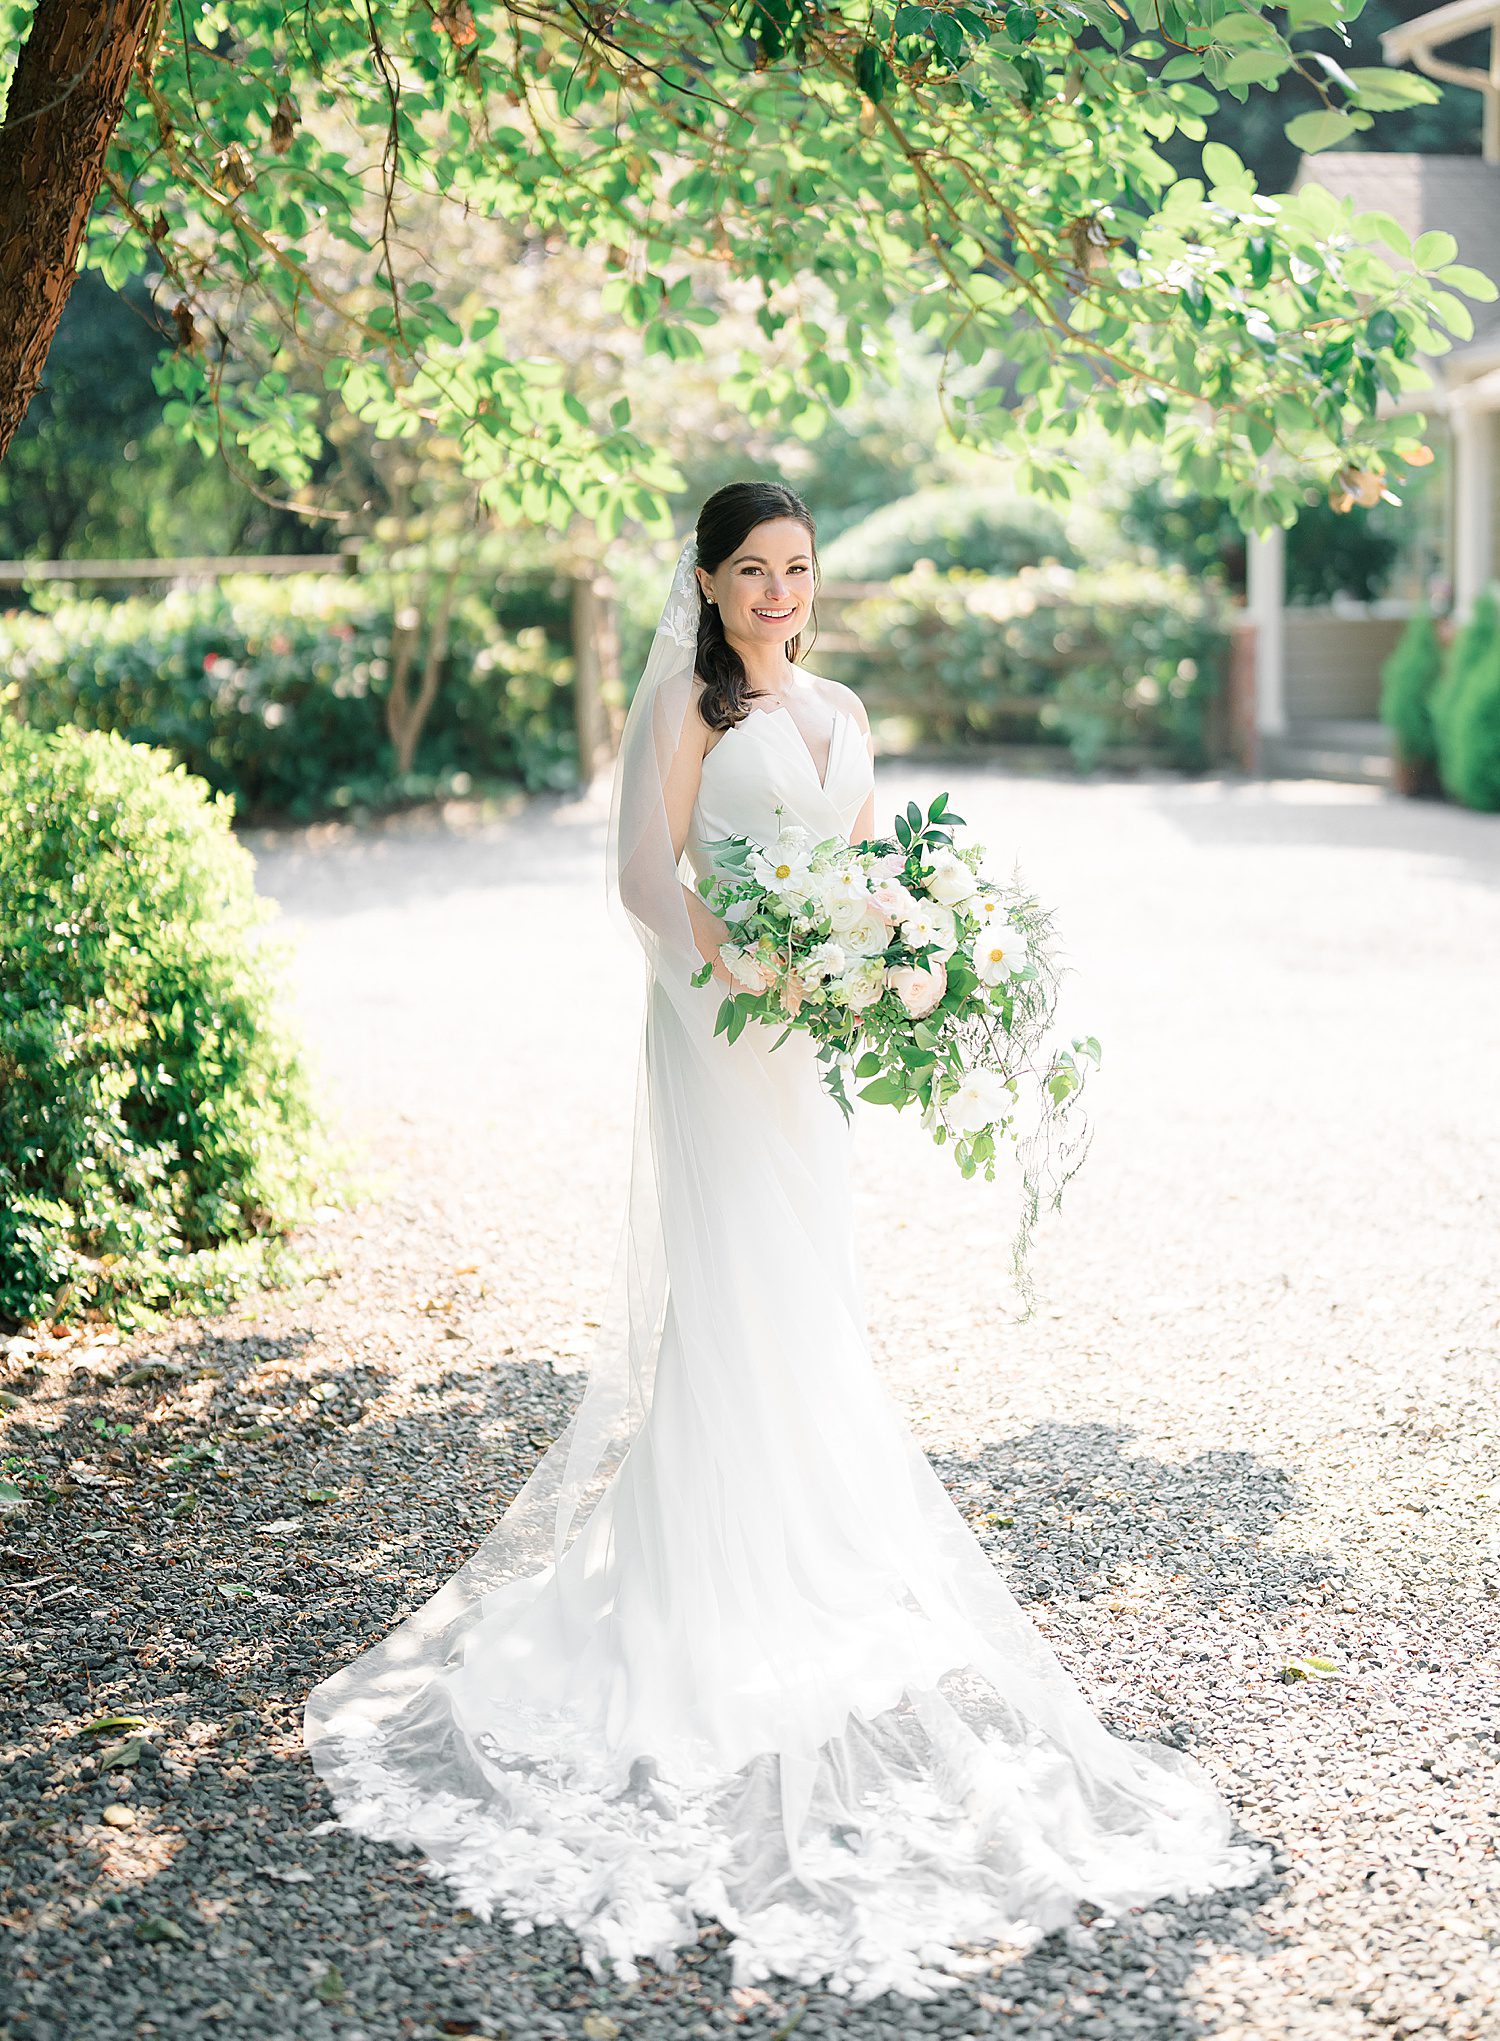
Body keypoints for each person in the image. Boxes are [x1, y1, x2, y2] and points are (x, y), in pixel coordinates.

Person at [302, 479, 1269, 2001]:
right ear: (706, 579)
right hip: (716, 1028)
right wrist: (742, 980)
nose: (777, 591)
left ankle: (805, 1551)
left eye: (797, 569)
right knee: (733, 1289)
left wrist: (903, 955)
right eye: (751, 570)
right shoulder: (690, 711)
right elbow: (642, 876)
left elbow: (873, 871)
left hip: (816, 1052)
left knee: (810, 1295)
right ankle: (703, 1585)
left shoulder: (847, 711)